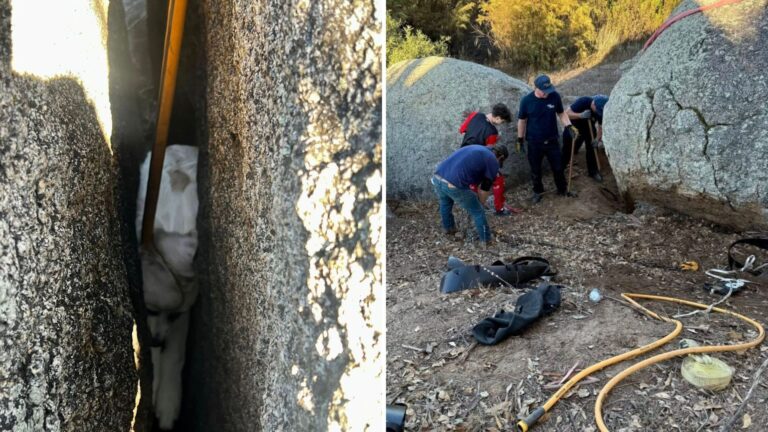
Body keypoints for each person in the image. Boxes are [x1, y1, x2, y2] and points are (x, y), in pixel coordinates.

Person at [516, 75, 579, 204]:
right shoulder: (526, 101)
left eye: (548, 90)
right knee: (535, 170)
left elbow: (561, 113)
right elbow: (522, 121)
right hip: (534, 142)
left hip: (552, 141)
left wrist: (569, 126)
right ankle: (537, 191)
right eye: (544, 91)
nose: (547, 94)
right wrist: (520, 140)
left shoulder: (555, 96)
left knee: (558, 167)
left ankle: (562, 189)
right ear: (536, 88)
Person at [432, 144, 510, 245]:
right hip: (453, 184)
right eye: (501, 162)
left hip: (438, 177)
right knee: (478, 211)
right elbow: (484, 189)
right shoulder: (492, 160)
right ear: (501, 157)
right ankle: (486, 241)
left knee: (445, 203)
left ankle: (449, 229)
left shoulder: (479, 149)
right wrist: (480, 203)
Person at [459, 103, 517, 216]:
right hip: (476, 159)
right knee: (498, 178)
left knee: (473, 182)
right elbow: (489, 154)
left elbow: (461, 130)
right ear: (498, 118)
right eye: (503, 121)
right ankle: (499, 209)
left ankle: (473, 205)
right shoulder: (492, 132)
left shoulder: (475, 115)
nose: (501, 124)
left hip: (462, 155)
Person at [563, 94, 609, 182]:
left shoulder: (601, 110)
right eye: (597, 110)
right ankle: (563, 167)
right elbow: (566, 114)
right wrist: (580, 115)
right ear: (593, 104)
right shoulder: (583, 101)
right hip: (573, 125)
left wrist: (597, 139)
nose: (598, 113)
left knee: (591, 147)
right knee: (568, 147)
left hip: (588, 127)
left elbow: (601, 126)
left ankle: (593, 171)